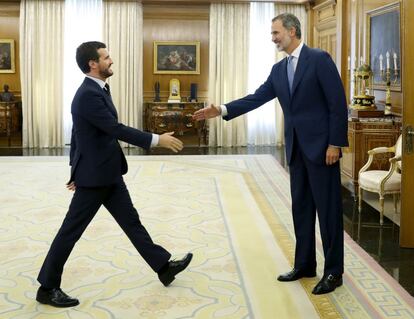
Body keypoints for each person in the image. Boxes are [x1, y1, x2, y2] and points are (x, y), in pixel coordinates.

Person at [193, 13, 348, 295]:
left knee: (328, 212)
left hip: (323, 149)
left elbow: (338, 104)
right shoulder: (279, 69)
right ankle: (305, 264)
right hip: (296, 149)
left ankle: (334, 272)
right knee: (301, 208)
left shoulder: (319, 59)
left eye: (276, 33)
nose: (273, 38)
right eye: (272, 34)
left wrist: (335, 144)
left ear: (292, 30)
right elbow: (258, 97)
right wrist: (223, 110)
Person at [36, 41, 193, 308]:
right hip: (95, 178)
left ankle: (163, 267)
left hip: (108, 173)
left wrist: (74, 168)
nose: (112, 61)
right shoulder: (88, 94)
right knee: (70, 231)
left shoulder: (99, 90)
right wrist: (156, 140)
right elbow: (114, 128)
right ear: (92, 64)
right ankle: (47, 287)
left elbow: (79, 134)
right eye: (107, 57)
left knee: (132, 222)